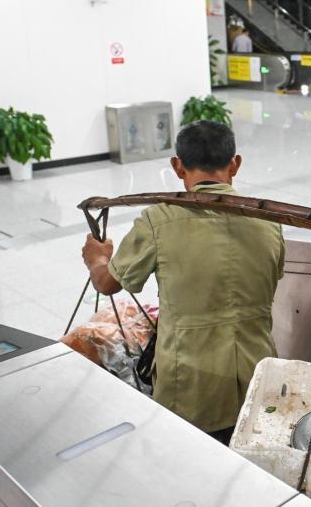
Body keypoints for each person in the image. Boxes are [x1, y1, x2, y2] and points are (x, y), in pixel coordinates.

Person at [81, 121, 285, 445]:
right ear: (235, 164)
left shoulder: (158, 220)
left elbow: (107, 284)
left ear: (177, 167)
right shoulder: (268, 221)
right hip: (258, 378)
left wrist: (97, 258)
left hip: (190, 387)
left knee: (193, 470)